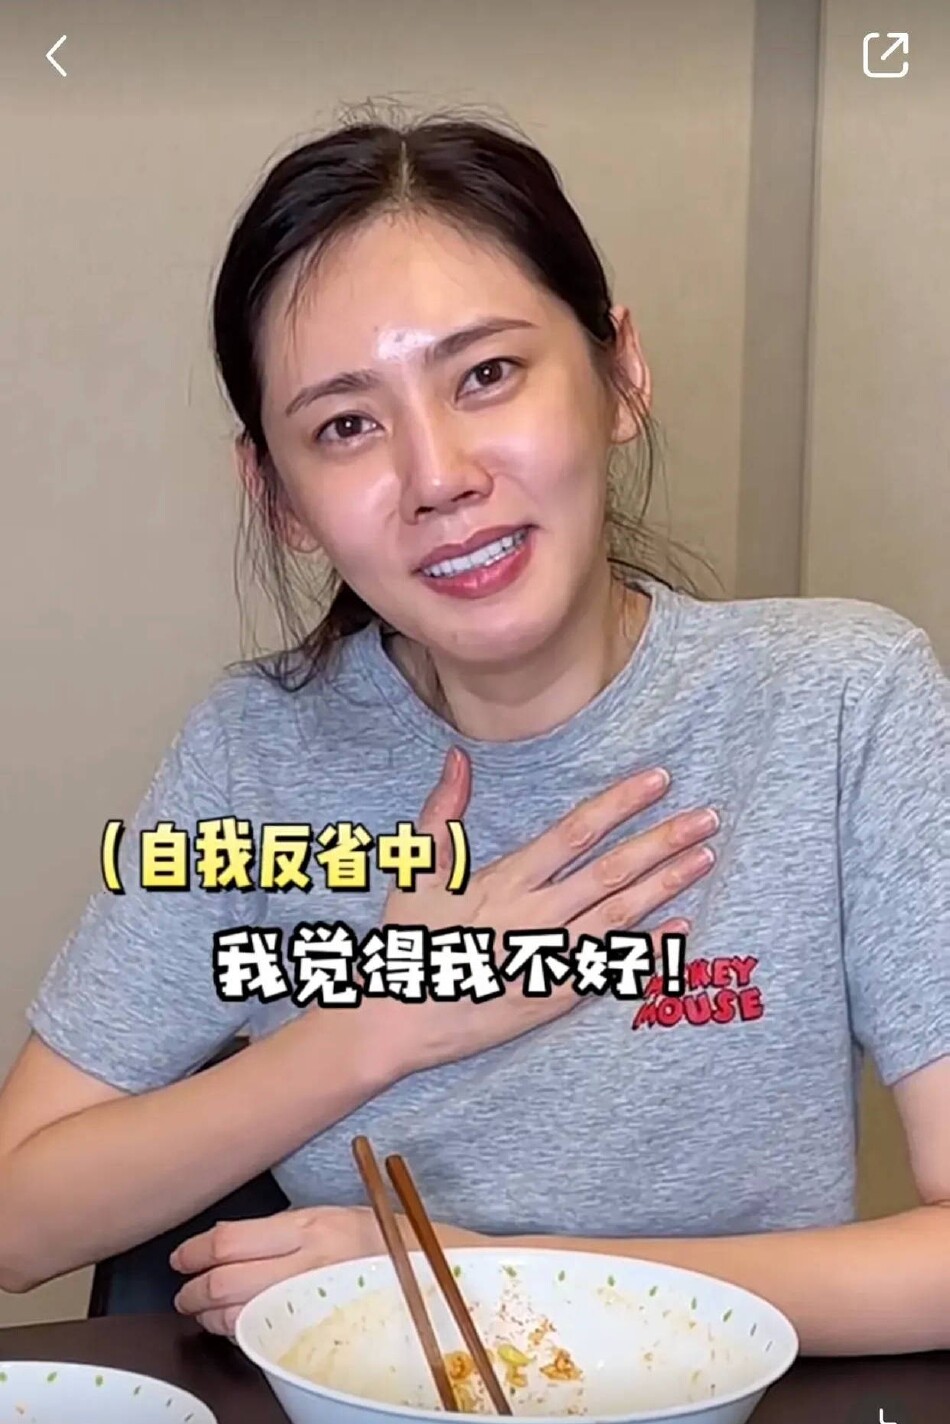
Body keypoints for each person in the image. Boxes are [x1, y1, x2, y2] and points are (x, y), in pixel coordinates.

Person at [0, 111, 947, 1357]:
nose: (437, 473)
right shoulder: (256, 754)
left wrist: (488, 1282)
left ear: (619, 374)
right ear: (279, 497)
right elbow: (18, 1218)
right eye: (346, 425)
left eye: (486, 374)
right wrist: (386, 1017)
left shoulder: (842, 700)